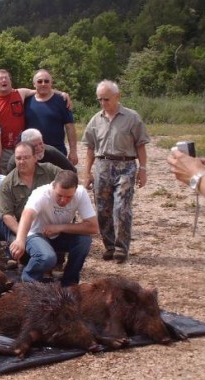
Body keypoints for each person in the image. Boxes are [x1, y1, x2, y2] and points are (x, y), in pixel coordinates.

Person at [82, 80, 149, 264]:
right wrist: (87, 173)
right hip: (102, 165)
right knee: (103, 209)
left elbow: (141, 144)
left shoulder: (132, 118)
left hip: (125, 165)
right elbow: (89, 147)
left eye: (107, 99)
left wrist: (142, 169)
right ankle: (109, 246)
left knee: (122, 208)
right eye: (100, 100)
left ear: (117, 97)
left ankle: (121, 248)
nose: (103, 103)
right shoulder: (96, 120)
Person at [9, 170, 99, 286]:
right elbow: (27, 214)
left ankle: (69, 284)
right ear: (53, 186)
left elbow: (93, 227)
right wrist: (20, 240)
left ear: (76, 190)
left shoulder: (81, 193)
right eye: (59, 195)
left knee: (84, 241)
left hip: (60, 234)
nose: (63, 200)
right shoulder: (41, 193)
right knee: (48, 257)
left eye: (68, 197)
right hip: (36, 234)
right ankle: (28, 281)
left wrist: (60, 227)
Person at [0, 141, 62, 268]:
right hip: (27, 229)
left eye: (26, 157)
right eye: (18, 158)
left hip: (52, 224)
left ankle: (64, 271)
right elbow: (7, 215)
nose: (21, 162)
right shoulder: (7, 184)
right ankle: (28, 270)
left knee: (82, 241)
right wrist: (23, 234)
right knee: (44, 257)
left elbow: (68, 183)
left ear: (35, 157)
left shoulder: (50, 171)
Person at [0, 70, 36, 174]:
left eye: (6, 78)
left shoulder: (20, 93)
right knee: (5, 178)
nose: (4, 80)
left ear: (10, 81)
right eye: (0, 78)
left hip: (22, 147)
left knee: (24, 175)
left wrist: (62, 94)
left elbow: (42, 90)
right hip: (3, 150)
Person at [24, 69, 77, 164]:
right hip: (32, 154)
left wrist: (73, 152)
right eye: (39, 81)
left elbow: (70, 127)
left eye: (46, 81)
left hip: (56, 152)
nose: (43, 84)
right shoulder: (26, 101)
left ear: (51, 83)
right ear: (34, 84)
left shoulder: (62, 100)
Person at [6, 128, 76, 173]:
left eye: (41, 143)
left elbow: (72, 171)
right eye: (35, 146)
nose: (39, 148)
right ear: (26, 146)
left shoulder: (51, 152)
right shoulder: (15, 161)